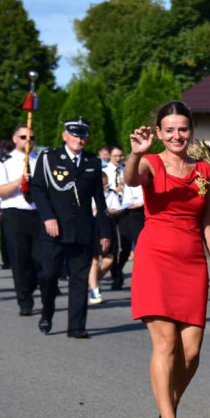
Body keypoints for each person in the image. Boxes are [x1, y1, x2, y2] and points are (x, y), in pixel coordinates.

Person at [125, 101, 210, 418]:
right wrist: (135, 154)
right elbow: (131, 178)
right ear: (158, 132)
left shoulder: (204, 171)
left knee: (192, 352)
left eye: (182, 129)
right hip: (155, 258)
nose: (176, 135)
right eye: (168, 130)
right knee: (166, 344)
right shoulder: (151, 162)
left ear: (191, 130)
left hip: (191, 261)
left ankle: (165, 402)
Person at [29, 118, 112, 339]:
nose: (79, 139)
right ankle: (47, 312)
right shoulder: (49, 158)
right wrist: (48, 217)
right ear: (65, 136)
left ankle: (76, 326)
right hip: (53, 229)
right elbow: (38, 189)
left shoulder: (93, 162)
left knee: (79, 278)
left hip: (82, 229)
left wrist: (104, 231)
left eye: (83, 135)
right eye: (75, 135)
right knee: (49, 275)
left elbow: (99, 199)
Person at [0, 124, 40, 315]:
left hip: (38, 213)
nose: (27, 141)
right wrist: (18, 181)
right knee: (20, 259)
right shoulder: (4, 161)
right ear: (15, 139)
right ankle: (25, 301)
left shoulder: (41, 160)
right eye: (23, 137)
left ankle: (29, 288)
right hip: (14, 213)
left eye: (31, 138)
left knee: (39, 260)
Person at [87, 172, 122, 305]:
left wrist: (110, 210)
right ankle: (94, 290)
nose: (104, 186)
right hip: (92, 225)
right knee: (94, 259)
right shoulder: (87, 194)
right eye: (101, 184)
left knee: (109, 260)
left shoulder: (111, 194)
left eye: (105, 183)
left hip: (107, 225)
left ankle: (93, 280)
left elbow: (118, 208)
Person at [103, 145, 127, 289]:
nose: (118, 159)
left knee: (125, 244)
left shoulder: (125, 170)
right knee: (114, 246)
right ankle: (115, 276)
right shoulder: (104, 171)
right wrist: (114, 189)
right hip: (110, 210)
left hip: (125, 208)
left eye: (120, 156)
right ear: (109, 156)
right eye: (115, 156)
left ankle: (118, 268)